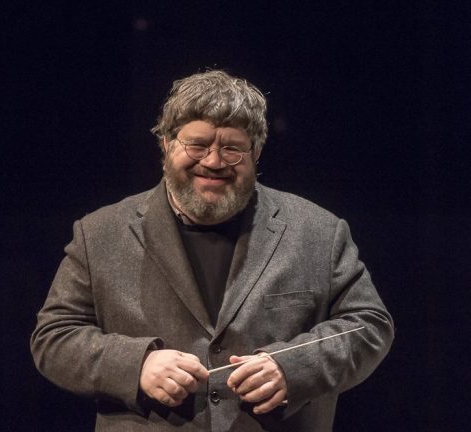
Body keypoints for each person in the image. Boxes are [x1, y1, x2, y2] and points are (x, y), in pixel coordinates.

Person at [30, 69, 394, 431]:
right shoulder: (100, 234)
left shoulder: (318, 231)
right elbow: (53, 337)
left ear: (256, 152)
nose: (214, 162)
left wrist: (294, 367)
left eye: (232, 148)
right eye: (197, 145)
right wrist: (136, 365)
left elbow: (369, 325)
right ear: (166, 145)